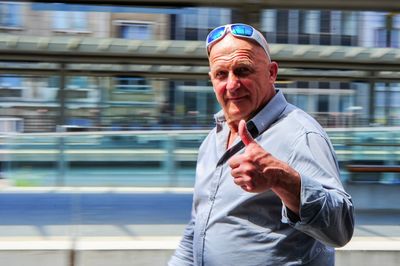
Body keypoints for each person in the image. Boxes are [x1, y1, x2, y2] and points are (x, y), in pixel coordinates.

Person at [169, 23, 354, 266]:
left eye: (243, 71)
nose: (232, 85)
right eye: (221, 74)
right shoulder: (212, 140)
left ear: (271, 73)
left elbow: (340, 228)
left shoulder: (301, 133)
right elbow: (199, 225)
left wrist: (282, 179)